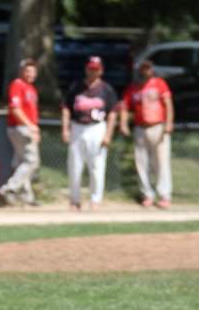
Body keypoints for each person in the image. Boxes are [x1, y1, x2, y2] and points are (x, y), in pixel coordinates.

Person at [61, 56, 119, 211]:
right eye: (90, 68)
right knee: (74, 165)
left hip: (97, 127)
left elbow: (112, 113)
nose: (93, 71)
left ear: (101, 71)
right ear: (86, 69)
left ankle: (95, 200)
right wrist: (65, 129)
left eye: (96, 69)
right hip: (77, 126)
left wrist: (108, 135)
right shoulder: (76, 86)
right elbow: (66, 108)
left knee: (97, 165)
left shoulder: (106, 89)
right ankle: (75, 200)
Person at [119, 59, 174, 208]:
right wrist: (123, 123)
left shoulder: (159, 83)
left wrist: (169, 123)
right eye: (143, 69)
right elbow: (124, 107)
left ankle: (164, 195)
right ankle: (147, 194)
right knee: (141, 162)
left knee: (161, 162)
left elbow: (168, 103)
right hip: (140, 128)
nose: (146, 71)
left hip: (158, 127)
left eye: (148, 68)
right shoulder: (132, 88)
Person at [0, 59, 41, 206]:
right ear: (21, 71)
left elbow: (32, 112)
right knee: (32, 161)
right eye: (27, 71)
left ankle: (27, 197)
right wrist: (30, 126)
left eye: (32, 71)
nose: (30, 74)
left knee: (21, 163)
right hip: (20, 127)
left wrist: (34, 129)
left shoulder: (31, 88)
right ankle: (9, 188)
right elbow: (15, 108)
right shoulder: (17, 84)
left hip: (27, 127)